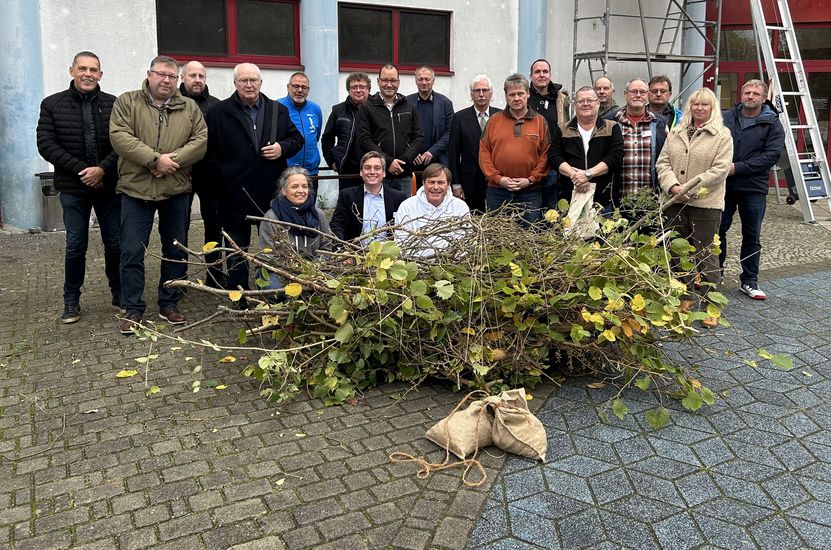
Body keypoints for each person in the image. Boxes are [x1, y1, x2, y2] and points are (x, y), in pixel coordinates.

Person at [109, 55, 208, 334]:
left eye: (171, 76)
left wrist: (169, 161)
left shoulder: (188, 107)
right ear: (149, 74)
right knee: (131, 250)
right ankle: (132, 308)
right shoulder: (127, 101)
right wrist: (154, 160)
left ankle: (170, 303)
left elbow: (200, 141)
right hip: (135, 190)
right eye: (161, 74)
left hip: (175, 190)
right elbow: (119, 136)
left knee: (174, 250)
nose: (166, 80)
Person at [204, 63, 303, 299]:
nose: (249, 85)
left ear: (261, 82)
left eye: (253, 80)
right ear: (235, 83)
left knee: (273, 247)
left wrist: (282, 148)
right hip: (233, 194)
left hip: (270, 195)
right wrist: (224, 176)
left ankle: (274, 292)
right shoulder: (219, 112)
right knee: (237, 250)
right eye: (243, 81)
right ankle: (240, 296)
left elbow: (296, 139)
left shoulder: (276, 109)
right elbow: (209, 153)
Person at [36, 51, 121, 324]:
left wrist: (103, 169)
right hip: (73, 186)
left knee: (115, 243)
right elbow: (46, 144)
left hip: (108, 186)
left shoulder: (114, 104)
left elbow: (122, 142)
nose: (88, 74)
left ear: (101, 74)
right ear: (71, 70)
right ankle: (71, 301)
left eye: (93, 69)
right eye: (82, 68)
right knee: (75, 245)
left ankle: (119, 294)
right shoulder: (52, 104)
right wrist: (82, 170)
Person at [657, 87, 733, 329]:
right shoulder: (677, 132)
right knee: (680, 252)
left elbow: (720, 170)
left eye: (705, 105)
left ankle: (713, 306)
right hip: (675, 201)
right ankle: (686, 296)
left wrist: (691, 188)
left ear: (712, 108)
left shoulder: (722, 135)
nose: (699, 108)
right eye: (695, 104)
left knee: (706, 255)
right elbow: (663, 163)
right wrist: (674, 187)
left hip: (705, 204)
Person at [719, 79, 785, 300]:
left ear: (764, 97)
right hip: (724, 186)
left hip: (753, 187)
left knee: (752, 234)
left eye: (755, 93)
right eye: (747, 92)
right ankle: (714, 275)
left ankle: (749, 281)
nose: (750, 96)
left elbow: (771, 156)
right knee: (718, 231)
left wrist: (737, 168)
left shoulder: (772, 123)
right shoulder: (726, 117)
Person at [479, 73, 550, 226]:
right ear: (506, 97)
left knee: (529, 239)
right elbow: (484, 153)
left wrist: (530, 180)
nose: (516, 98)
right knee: (496, 239)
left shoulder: (540, 122)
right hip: (497, 192)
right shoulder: (494, 121)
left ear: (528, 94)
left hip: (529, 193)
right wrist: (498, 179)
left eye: (520, 93)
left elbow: (545, 155)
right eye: (512, 94)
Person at [178, 60, 223, 288]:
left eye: (201, 76)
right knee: (178, 227)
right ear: (182, 77)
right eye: (192, 75)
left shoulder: (215, 106)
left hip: (210, 176)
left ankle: (215, 276)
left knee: (214, 227)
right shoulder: (172, 103)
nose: (197, 80)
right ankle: (179, 276)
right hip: (179, 175)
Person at [549, 86, 624, 213]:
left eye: (590, 100)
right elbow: (554, 156)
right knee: (570, 233)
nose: (585, 104)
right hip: (570, 199)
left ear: (598, 103)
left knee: (603, 233)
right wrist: (575, 176)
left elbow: (615, 156)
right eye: (581, 101)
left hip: (602, 200)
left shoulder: (612, 127)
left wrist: (588, 174)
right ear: (574, 105)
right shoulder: (563, 129)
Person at [356, 64, 424, 196]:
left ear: (398, 82)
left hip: (404, 173)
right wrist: (387, 161)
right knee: (380, 212)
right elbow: (364, 140)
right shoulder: (367, 108)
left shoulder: (410, 107)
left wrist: (402, 161)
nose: (389, 84)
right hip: (378, 173)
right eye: (385, 80)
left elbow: (419, 138)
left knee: (404, 213)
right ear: (378, 81)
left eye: (393, 80)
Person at [259, 166, 332, 290]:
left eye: (304, 186)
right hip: (280, 271)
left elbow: (327, 245)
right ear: (283, 190)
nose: (301, 190)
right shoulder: (271, 217)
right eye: (294, 187)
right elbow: (268, 255)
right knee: (277, 289)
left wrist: (314, 268)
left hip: (315, 269)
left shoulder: (318, 215)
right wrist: (295, 272)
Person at [605, 78, 668, 201]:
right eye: (634, 91)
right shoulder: (609, 121)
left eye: (642, 92)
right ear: (625, 94)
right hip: (617, 200)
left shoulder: (660, 123)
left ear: (648, 95)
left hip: (650, 201)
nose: (638, 95)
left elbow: (666, 158)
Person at [447, 74, 501, 212]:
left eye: (485, 90)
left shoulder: (500, 117)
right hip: (469, 182)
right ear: (471, 94)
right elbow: (453, 153)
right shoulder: (459, 118)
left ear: (491, 93)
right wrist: (456, 184)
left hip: (496, 181)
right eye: (477, 91)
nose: (481, 94)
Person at [394, 163, 470, 258]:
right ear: (423, 183)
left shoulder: (460, 207)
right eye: (431, 182)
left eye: (441, 182)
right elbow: (402, 242)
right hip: (417, 263)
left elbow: (465, 242)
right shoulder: (407, 206)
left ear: (448, 184)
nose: (436, 187)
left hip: (452, 263)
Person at [330, 151, 408, 242]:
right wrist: (342, 250)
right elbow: (336, 225)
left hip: (389, 254)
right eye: (367, 168)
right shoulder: (347, 196)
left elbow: (404, 229)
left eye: (377, 168)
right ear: (361, 172)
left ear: (384, 173)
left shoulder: (398, 198)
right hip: (355, 253)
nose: (372, 172)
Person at [528, 59, 569, 208]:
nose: (541, 75)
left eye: (545, 71)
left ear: (550, 75)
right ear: (531, 76)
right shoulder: (523, 99)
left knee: (551, 212)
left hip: (553, 163)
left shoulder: (561, 100)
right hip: (529, 164)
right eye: (537, 72)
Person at [322, 72, 371, 191]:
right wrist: (332, 161)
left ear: (369, 89)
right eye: (354, 87)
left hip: (373, 168)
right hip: (347, 169)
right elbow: (327, 137)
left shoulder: (377, 109)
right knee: (349, 204)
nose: (358, 90)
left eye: (362, 87)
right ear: (348, 90)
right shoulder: (338, 110)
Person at [407, 66, 454, 168]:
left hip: (438, 160)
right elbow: (401, 132)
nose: (424, 82)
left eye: (427, 79)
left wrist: (432, 152)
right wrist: (412, 152)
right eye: (420, 79)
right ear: (416, 81)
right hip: (412, 161)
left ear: (433, 81)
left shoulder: (445, 103)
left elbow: (450, 132)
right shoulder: (406, 103)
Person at [278, 72, 323, 180]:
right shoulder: (277, 107)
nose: (300, 90)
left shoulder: (315, 109)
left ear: (308, 90)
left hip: (310, 172)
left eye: (304, 87)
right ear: (288, 87)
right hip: (286, 172)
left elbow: (315, 137)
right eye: (296, 86)